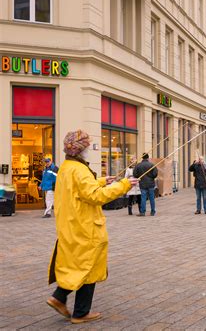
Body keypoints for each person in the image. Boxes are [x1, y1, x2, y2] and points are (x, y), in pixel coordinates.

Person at [46, 129, 138, 324]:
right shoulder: (79, 169)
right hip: (85, 225)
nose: (89, 149)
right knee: (90, 265)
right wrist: (123, 185)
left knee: (77, 264)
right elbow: (95, 196)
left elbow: (80, 188)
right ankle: (80, 312)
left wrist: (103, 181)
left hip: (71, 224)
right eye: (87, 146)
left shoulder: (67, 166)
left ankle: (59, 297)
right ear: (81, 149)